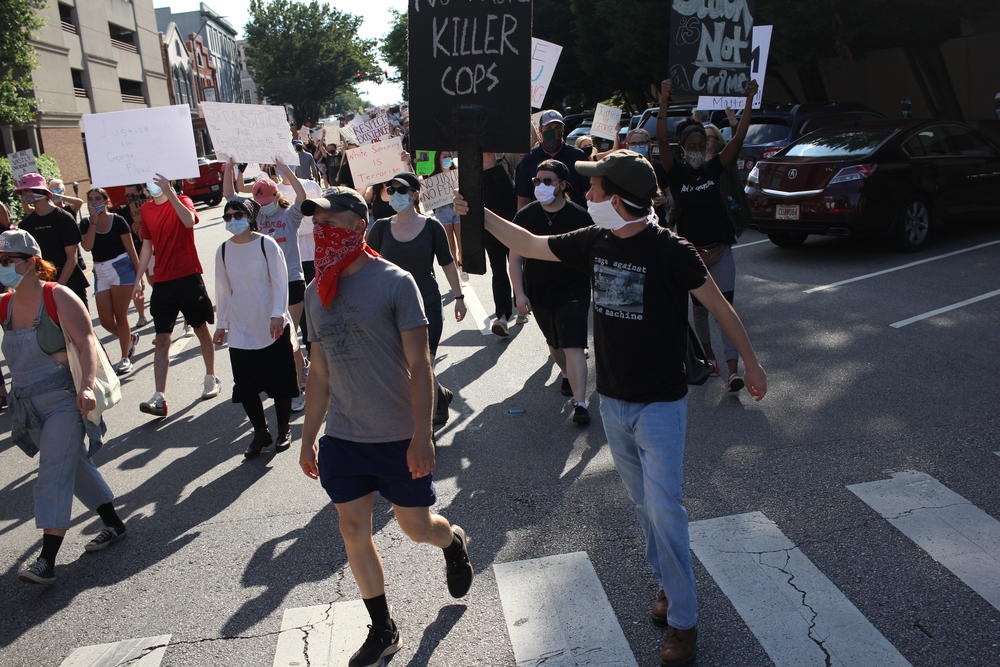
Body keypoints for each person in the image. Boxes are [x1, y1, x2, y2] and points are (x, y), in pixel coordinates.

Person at [454, 148, 767, 667]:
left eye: (594, 188)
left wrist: (750, 365)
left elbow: (718, 306)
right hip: (614, 402)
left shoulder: (671, 250)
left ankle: (683, 624)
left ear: (619, 200)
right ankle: (668, 583)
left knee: (666, 508)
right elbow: (530, 242)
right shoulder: (594, 239)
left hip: (662, 404)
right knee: (647, 509)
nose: (585, 194)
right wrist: (477, 213)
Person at [298, 188, 473, 667]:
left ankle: (452, 542)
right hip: (344, 438)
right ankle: (383, 629)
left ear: (359, 223)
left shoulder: (395, 282)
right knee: (353, 528)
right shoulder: (317, 291)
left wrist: (423, 435)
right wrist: (309, 436)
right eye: (318, 220)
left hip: (399, 436)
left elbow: (421, 365)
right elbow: (319, 373)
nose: (323, 226)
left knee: (416, 528)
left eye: (332, 217)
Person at [0, 229, 127, 585]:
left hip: (63, 400)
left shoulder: (59, 296)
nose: (3, 267)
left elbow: (87, 344)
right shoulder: (4, 304)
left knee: (52, 472)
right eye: (0, 261)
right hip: (27, 404)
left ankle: (46, 560)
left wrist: (86, 388)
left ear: (31, 262)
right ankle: (114, 523)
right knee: (72, 463)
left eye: (7, 261)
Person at [658, 79, 758, 391]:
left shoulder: (714, 169)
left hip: (720, 249)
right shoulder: (676, 171)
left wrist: (749, 100)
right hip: (693, 253)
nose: (698, 151)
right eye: (692, 147)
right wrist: (663, 100)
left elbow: (738, 137)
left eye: (702, 146)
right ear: (683, 148)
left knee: (726, 308)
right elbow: (661, 138)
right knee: (700, 310)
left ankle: (733, 370)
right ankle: (708, 357)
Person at [366, 173, 467, 426]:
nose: (396, 195)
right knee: (408, 366)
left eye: (402, 190)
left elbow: (447, 263)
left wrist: (459, 297)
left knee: (422, 365)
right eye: (391, 190)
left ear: (414, 194)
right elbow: (367, 267)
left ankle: (426, 428)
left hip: (427, 304)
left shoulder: (432, 227)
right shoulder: (380, 228)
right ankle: (440, 396)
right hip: (391, 308)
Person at [213, 198, 299, 459]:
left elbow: (280, 282)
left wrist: (278, 315)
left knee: (280, 382)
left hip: (271, 326)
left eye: (237, 214)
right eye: (227, 217)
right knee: (246, 386)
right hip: (241, 329)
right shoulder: (223, 251)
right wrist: (222, 325)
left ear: (250, 216)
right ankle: (260, 431)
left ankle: (283, 429)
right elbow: (222, 291)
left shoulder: (267, 244)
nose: (232, 220)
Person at [509, 160, 593, 424]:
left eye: (548, 181)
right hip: (539, 291)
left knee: (573, 344)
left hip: (574, 290)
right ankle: (567, 375)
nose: (541, 186)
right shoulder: (526, 216)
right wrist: (519, 294)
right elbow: (514, 259)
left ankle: (581, 403)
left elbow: (592, 256)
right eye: (537, 181)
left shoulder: (580, 216)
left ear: (562, 185)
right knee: (555, 344)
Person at [133, 174, 221, 417]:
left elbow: (189, 222)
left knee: (201, 329)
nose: (150, 186)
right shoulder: (147, 209)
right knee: (161, 340)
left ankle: (211, 377)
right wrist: (139, 277)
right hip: (163, 281)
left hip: (188, 276)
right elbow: (147, 245)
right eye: (147, 182)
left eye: (156, 181)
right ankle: (159, 397)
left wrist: (170, 193)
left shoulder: (183, 199)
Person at [225, 158, 309, 411]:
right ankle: (299, 367)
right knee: (279, 337)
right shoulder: (255, 216)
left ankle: (296, 389)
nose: (263, 208)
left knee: (287, 335)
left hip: (292, 280)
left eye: (266, 202)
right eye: (258, 204)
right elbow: (229, 195)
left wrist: (286, 172)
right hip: (266, 287)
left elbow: (302, 197)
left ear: (276, 196)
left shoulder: (289, 216)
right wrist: (229, 168)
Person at [79, 189, 141, 374]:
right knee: (105, 320)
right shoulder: (85, 223)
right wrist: (93, 222)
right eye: (90, 199)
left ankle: (125, 358)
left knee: (120, 316)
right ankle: (129, 338)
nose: (94, 202)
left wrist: (139, 278)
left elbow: (131, 250)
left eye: (98, 198)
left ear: (107, 201)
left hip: (121, 268)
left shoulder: (118, 220)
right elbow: (87, 246)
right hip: (100, 270)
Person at [14, 173, 90, 308]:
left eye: (26, 191)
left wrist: (57, 288)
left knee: (79, 328)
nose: (23, 196)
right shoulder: (25, 224)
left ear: (40, 192)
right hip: (42, 285)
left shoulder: (64, 218)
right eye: (22, 192)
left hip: (69, 282)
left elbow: (71, 259)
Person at [515, 110, 591, 209]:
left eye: (557, 127)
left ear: (563, 129)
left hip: (575, 219)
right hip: (540, 220)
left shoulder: (578, 157)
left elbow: (588, 193)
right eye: (549, 127)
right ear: (541, 129)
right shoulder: (529, 160)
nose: (553, 132)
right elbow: (523, 198)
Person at [482, 152, 517, 335]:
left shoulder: (506, 165)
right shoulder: (472, 175)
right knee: (499, 271)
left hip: (511, 228)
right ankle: (502, 316)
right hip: (490, 232)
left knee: (516, 266)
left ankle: (521, 300)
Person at [116, 184, 152, 328]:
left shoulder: (148, 206)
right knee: (136, 285)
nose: (130, 198)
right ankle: (141, 315)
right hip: (133, 251)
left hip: (148, 249)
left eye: (132, 195)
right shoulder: (123, 212)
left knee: (152, 279)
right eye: (127, 195)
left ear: (140, 192)